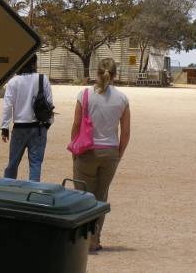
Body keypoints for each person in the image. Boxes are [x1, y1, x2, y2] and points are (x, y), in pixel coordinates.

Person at [70, 58, 130, 252]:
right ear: (114, 75)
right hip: (110, 151)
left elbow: (77, 124)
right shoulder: (122, 99)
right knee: (100, 197)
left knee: (81, 194)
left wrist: (74, 149)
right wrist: (118, 154)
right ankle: (94, 240)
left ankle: (80, 240)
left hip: (87, 150)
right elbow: (126, 132)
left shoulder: (84, 94)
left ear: (97, 73)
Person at [1, 55, 53, 182]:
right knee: (35, 164)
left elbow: (7, 105)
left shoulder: (13, 81)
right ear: (34, 63)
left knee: (12, 163)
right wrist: (48, 124)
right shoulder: (42, 79)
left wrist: (4, 127)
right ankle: (32, 195)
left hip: (19, 127)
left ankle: (7, 190)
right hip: (39, 127)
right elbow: (50, 103)